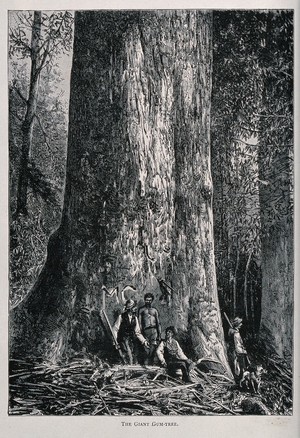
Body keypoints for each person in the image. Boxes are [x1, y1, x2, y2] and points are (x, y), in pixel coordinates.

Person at [112, 299, 149, 365]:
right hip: (123, 340)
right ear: (129, 308)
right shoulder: (121, 317)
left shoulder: (135, 318)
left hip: (132, 340)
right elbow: (115, 329)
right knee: (128, 356)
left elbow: (138, 332)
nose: (135, 309)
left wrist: (144, 341)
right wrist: (115, 341)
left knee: (138, 354)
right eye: (134, 307)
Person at [138, 293, 162, 365]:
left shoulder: (154, 310)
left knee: (153, 348)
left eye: (150, 300)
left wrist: (159, 334)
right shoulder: (141, 310)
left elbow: (158, 323)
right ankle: (146, 365)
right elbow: (139, 323)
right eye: (147, 300)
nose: (148, 302)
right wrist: (141, 333)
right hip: (145, 331)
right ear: (145, 300)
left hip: (154, 331)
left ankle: (151, 365)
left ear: (152, 301)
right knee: (146, 349)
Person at [228, 316, 249, 382]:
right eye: (240, 323)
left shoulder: (235, 332)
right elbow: (237, 344)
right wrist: (242, 351)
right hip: (236, 351)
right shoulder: (235, 333)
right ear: (237, 325)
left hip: (236, 350)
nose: (241, 325)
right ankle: (239, 380)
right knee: (238, 366)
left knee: (239, 366)